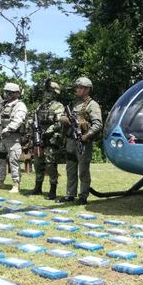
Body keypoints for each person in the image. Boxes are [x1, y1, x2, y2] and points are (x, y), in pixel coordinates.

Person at [57, 77, 102, 205]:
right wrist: (63, 119)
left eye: (81, 87)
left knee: (83, 170)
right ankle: (70, 194)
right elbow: (62, 115)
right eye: (77, 87)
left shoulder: (92, 105)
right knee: (70, 169)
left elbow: (98, 124)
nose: (77, 89)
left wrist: (86, 136)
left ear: (88, 89)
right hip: (71, 140)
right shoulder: (73, 104)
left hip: (83, 142)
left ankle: (83, 196)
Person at [28, 79, 65, 200]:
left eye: (49, 92)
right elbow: (34, 119)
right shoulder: (40, 106)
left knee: (50, 165)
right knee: (38, 163)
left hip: (51, 139)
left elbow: (59, 122)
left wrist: (48, 131)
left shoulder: (58, 106)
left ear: (55, 93)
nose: (46, 94)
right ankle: (38, 187)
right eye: (46, 92)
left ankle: (52, 189)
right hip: (40, 138)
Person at [0, 82, 27, 194]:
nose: (8, 95)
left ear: (17, 94)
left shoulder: (19, 105)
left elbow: (18, 120)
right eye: (6, 92)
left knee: (13, 160)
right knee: (0, 159)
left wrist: (7, 129)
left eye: (10, 93)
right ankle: (0, 181)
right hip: (0, 136)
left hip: (12, 137)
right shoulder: (2, 104)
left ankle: (16, 184)